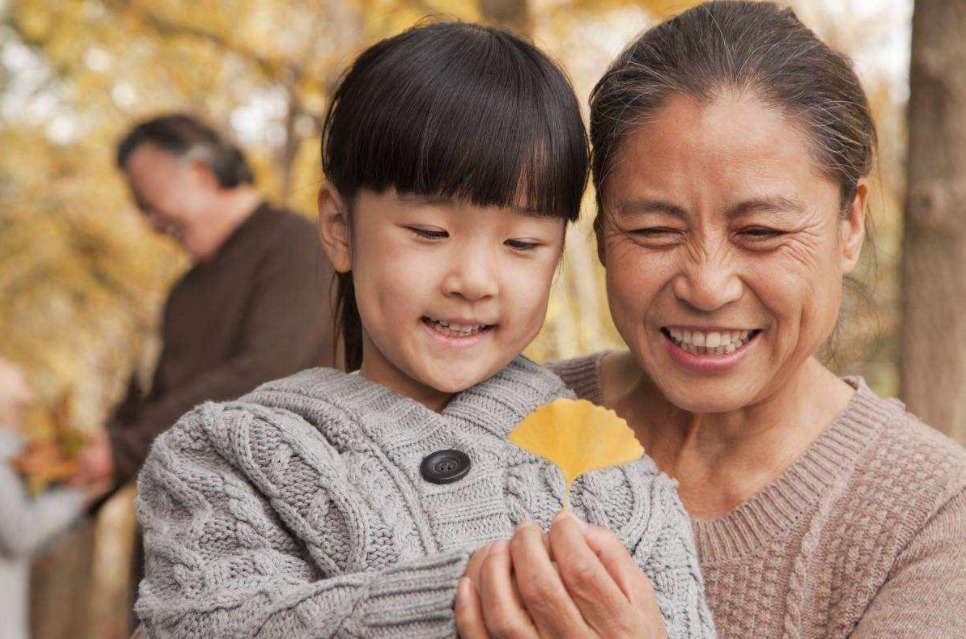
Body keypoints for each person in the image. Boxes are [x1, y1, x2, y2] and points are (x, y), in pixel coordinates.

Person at [133, 22, 716, 639]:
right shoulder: (230, 455)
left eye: (522, 243)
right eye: (429, 233)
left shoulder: (612, 471)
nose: (473, 280)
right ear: (339, 227)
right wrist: (468, 599)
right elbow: (208, 622)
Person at [542, 2, 966, 638]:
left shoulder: (928, 514)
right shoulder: (505, 421)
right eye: (655, 230)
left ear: (850, 225)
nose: (708, 286)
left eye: (761, 231)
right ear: (602, 232)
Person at [69, 114, 335, 492]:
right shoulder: (184, 292)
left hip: (280, 517)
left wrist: (122, 450)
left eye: (148, 202)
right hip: (183, 518)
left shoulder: (297, 246)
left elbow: (264, 372)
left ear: (199, 173)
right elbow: (158, 402)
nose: (151, 223)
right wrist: (94, 456)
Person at [0, 358, 108, 639]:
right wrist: (79, 495)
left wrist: (66, 498)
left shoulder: (13, 460)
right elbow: (20, 532)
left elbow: (29, 549)